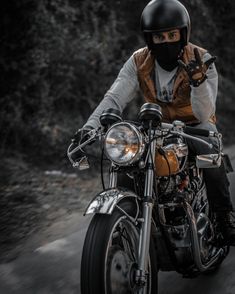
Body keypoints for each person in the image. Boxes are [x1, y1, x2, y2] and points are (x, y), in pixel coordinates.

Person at [72, 0, 235, 245]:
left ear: (183, 33)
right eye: (159, 37)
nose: (166, 42)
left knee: (208, 145)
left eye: (172, 35)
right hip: (154, 126)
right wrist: (89, 128)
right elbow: (115, 97)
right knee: (127, 159)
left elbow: (204, 113)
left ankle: (224, 216)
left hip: (194, 125)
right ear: (150, 40)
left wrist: (198, 83)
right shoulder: (138, 60)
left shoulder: (201, 59)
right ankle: (127, 220)